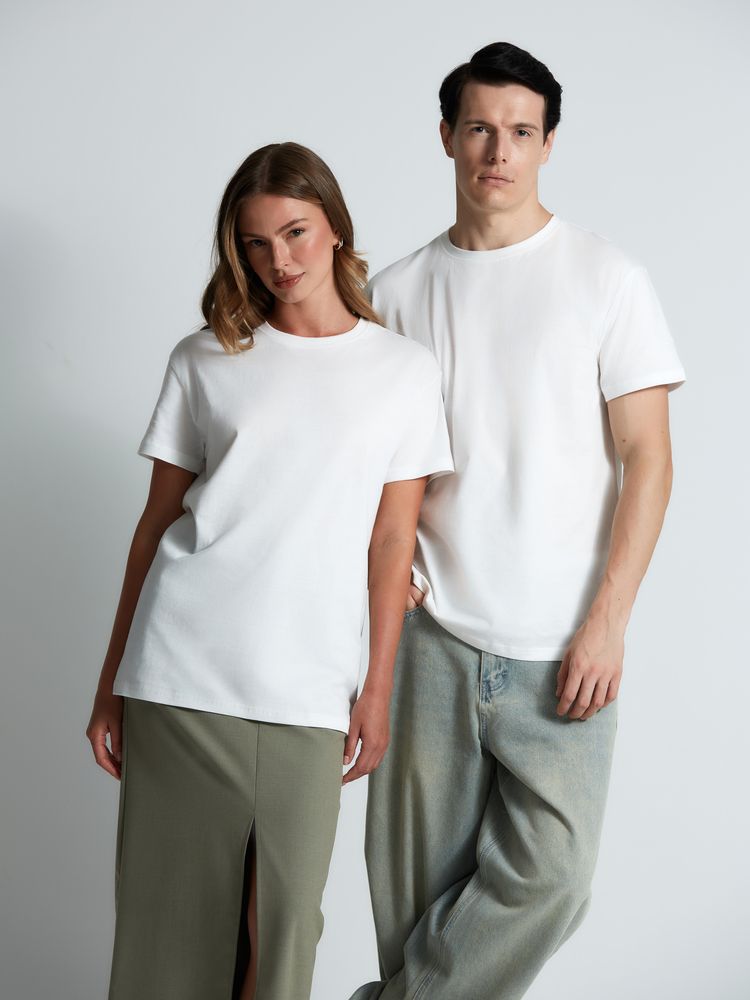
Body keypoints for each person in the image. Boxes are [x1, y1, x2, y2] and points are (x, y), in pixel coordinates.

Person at [351, 41, 686, 1000]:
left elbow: (650, 458)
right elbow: (366, 462)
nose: (498, 151)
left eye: (521, 132)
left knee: (554, 881)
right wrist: (388, 572)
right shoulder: (397, 294)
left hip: (564, 647)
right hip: (430, 641)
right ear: (446, 137)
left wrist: (609, 621)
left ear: (548, 144)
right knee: (412, 912)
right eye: (480, 129)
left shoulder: (606, 278)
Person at [85, 141, 454, 1000]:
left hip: (308, 688)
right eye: (255, 243)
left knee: (281, 929)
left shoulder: (403, 372)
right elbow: (154, 528)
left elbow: (392, 542)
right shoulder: (205, 358)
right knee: (168, 932)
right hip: (179, 676)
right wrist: (111, 683)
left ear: (335, 228)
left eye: (295, 232)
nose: (278, 260)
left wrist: (376, 690)